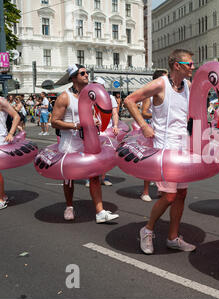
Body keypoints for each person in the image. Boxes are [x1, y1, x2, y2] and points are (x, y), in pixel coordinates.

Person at [125, 49, 196, 254]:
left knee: (181, 194)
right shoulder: (160, 84)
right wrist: (144, 125)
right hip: (164, 148)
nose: (192, 67)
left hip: (183, 148)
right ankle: (147, 230)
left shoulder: (188, 86)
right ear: (177, 65)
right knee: (169, 196)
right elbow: (130, 100)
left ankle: (173, 237)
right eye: (189, 64)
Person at [51, 64, 119, 223]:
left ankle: (100, 211)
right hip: (70, 144)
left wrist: (94, 121)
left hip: (87, 141)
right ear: (73, 78)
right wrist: (76, 125)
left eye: (86, 72)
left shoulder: (90, 95)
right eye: (82, 73)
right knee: (69, 178)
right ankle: (69, 206)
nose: (87, 75)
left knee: (94, 174)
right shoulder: (64, 97)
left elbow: (93, 114)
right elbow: (54, 122)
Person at [84, 77, 119, 187]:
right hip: (92, 130)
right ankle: (90, 178)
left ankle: (103, 177)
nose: (94, 86)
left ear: (103, 86)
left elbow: (114, 113)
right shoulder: (89, 96)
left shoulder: (110, 97)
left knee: (105, 155)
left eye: (97, 84)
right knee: (92, 155)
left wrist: (116, 125)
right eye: (93, 84)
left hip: (105, 130)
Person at [140, 69, 168, 202]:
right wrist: (157, 115)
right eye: (164, 79)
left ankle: (161, 188)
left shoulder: (168, 94)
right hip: (153, 132)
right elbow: (144, 113)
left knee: (164, 161)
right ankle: (145, 191)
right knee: (151, 162)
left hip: (165, 132)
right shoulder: (149, 95)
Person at [0, 97, 21, 210]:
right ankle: (2, 195)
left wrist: (11, 133)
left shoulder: (1, 101)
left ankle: (1, 200)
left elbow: (16, 116)